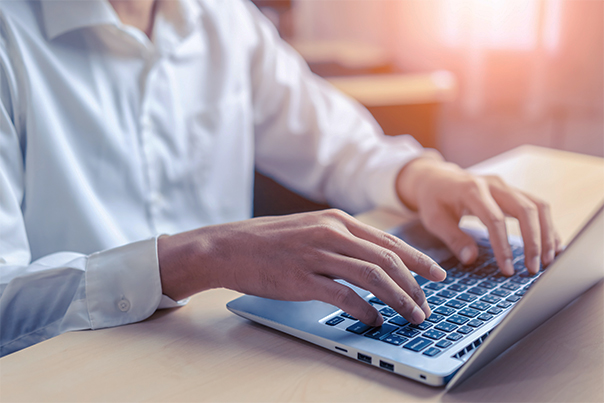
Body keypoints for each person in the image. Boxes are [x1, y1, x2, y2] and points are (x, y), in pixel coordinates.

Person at [0, 0, 560, 357]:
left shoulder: (225, 18)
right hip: (71, 364)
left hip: (222, 350)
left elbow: (337, 144)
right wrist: (201, 257)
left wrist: (421, 175)